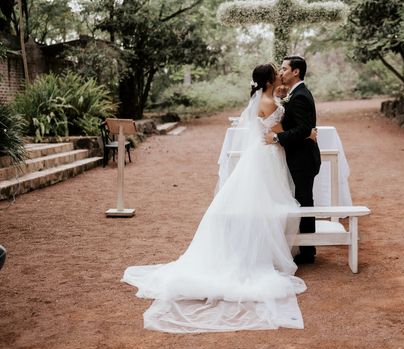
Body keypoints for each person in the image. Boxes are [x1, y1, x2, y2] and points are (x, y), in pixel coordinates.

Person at [122, 63, 308, 333]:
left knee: (264, 204)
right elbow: (277, 133)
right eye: (277, 73)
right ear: (269, 80)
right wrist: (304, 133)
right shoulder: (268, 102)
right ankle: (258, 255)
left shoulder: (265, 98)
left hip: (262, 154)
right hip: (266, 155)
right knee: (265, 204)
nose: (281, 74)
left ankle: (262, 251)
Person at [264, 56, 321, 264]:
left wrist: (277, 137)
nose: (281, 72)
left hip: (303, 159)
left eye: (284, 68)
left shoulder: (301, 96)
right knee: (302, 200)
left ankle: (308, 252)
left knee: (305, 202)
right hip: (299, 156)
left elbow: (304, 128)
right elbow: (301, 127)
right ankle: (305, 248)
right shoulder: (294, 94)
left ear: (296, 72)